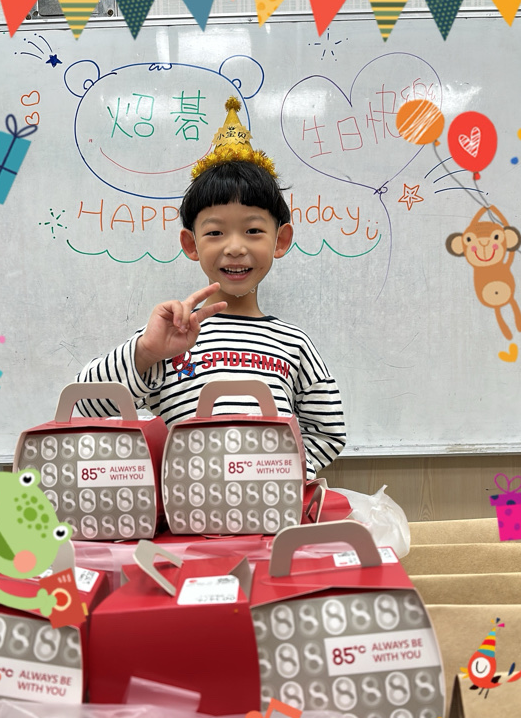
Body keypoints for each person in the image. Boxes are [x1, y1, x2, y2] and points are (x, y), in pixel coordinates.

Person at [76, 97, 346, 479]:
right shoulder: (171, 337)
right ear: (191, 244)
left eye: (253, 230)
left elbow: (328, 430)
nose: (234, 247)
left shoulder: (294, 344)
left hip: (271, 512)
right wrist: (146, 352)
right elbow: (85, 405)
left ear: (280, 240)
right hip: (186, 514)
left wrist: (287, 474)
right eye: (216, 232)